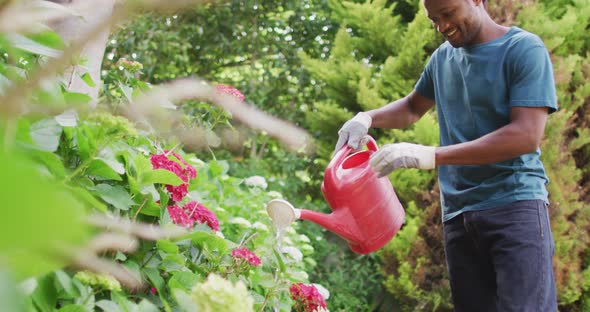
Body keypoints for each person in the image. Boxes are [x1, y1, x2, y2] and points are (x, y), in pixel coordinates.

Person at [334, 0, 558, 311]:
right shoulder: (443, 59)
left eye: (448, 14)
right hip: (459, 215)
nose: (442, 27)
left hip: (514, 207)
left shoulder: (522, 49)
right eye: (434, 19)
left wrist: (431, 155)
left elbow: (525, 135)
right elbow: (413, 107)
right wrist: (366, 117)